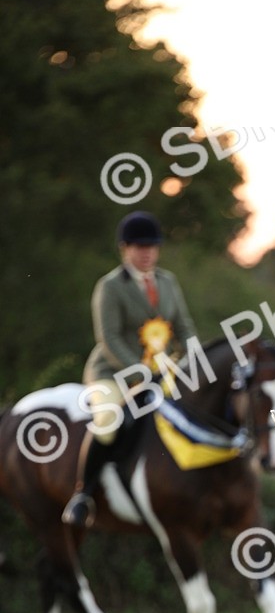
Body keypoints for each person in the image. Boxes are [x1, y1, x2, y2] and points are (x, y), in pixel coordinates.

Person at [62, 211, 195, 528]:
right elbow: (108, 338)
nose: (147, 252)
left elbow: (184, 326)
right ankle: (83, 494)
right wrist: (139, 370)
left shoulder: (168, 282)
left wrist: (193, 360)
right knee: (108, 421)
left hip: (162, 370)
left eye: (152, 246)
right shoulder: (109, 286)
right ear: (125, 249)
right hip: (113, 372)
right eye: (139, 247)